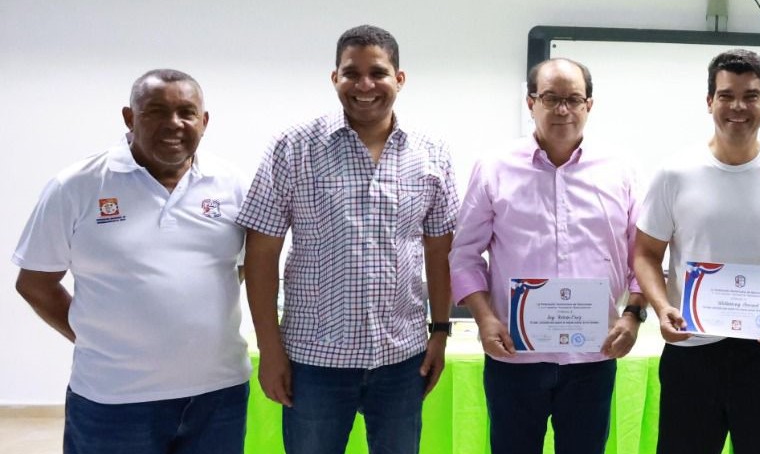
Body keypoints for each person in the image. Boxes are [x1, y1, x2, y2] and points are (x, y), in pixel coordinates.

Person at [237, 24, 459, 453]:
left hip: (401, 358)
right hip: (314, 359)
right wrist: (269, 348)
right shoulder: (292, 148)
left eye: (378, 73)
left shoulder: (431, 153)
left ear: (399, 78)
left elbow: (439, 249)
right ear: (334, 77)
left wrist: (440, 331)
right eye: (351, 73)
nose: (364, 85)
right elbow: (261, 254)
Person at [13, 69, 250, 454]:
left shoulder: (233, 185)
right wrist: (93, 336)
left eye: (187, 112)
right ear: (129, 117)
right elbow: (35, 282)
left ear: (204, 121)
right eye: (156, 111)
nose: (173, 124)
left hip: (218, 394)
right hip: (113, 398)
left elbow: (236, 268)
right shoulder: (76, 185)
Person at [449, 57, 644, 454]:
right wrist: (484, 318)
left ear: (589, 105)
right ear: (531, 103)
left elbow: (642, 255)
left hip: (592, 356)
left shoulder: (620, 169)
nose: (562, 110)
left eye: (573, 99)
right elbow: (464, 254)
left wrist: (633, 315)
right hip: (514, 356)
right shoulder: (494, 168)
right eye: (550, 98)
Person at [632, 48, 760, 454]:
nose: (738, 106)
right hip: (691, 351)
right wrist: (662, 307)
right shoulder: (674, 173)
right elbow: (645, 254)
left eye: (750, 96)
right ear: (709, 101)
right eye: (726, 95)